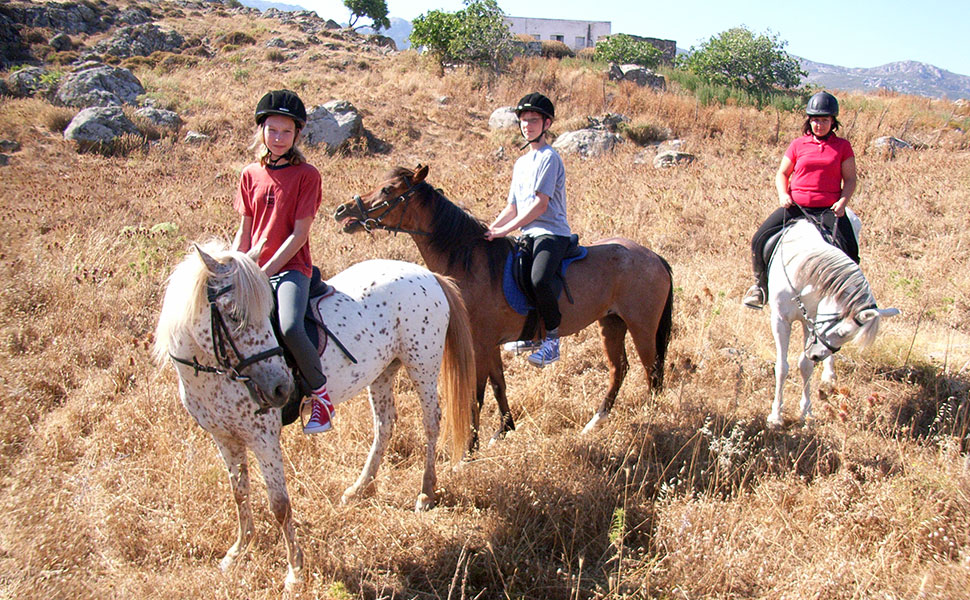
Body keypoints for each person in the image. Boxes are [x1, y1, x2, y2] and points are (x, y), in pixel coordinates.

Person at [231, 89, 334, 434]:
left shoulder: (307, 175)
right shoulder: (249, 174)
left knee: (289, 325)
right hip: (254, 268)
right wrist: (236, 268)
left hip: (291, 268)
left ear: (297, 135)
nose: (278, 138)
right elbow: (245, 230)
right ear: (261, 131)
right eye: (272, 130)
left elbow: (299, 235)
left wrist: (263, 273)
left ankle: (320, 396)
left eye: (286, 132)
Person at [742, 91, 859, 309]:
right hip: (796, 206)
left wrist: (843, 202)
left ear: (833, 122)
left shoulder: (842, 147)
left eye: (824, 120)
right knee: (759, 238)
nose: (819, 125)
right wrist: (783, 194)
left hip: (828, 208)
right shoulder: (798, 144)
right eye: (815, 120)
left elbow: (851, 179)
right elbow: (782, 174)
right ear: (809, 121)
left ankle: (851, 297)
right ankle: (760, 288)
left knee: (850, 249)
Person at [486, 92, 571, 367]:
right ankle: (532, 334)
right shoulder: (521, 163)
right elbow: (512, 206)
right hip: (526, 235)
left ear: (546, 124)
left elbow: (539, 205)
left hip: (551, 233)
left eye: (533, 120)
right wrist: (491, 229)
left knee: (539, 280)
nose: (527, 126)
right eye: (523, 121)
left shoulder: (550, 158)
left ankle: (553, 341)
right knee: (516, 277)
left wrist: (504, 232)